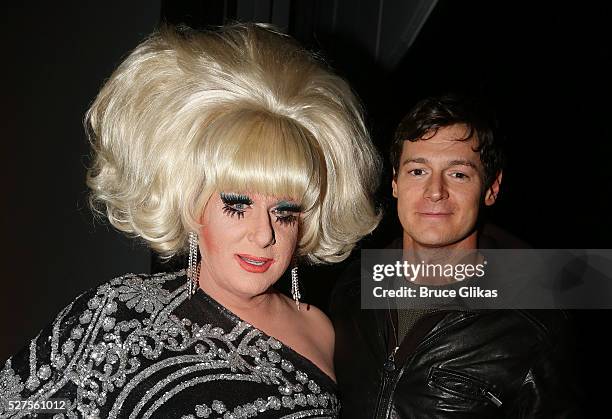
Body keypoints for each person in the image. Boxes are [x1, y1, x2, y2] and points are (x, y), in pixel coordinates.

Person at [0, 24, 381, 418]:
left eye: (285, 212)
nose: (264, 233)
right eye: (237, 205)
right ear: (194, 206)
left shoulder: (322, 331)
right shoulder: (120, 315)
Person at [331, 93, 579, 418]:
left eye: (458, 174)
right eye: (418, 171)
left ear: (491, 189)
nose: (435, 191)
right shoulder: (352, 288)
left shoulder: (532, 327)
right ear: (394, 182)